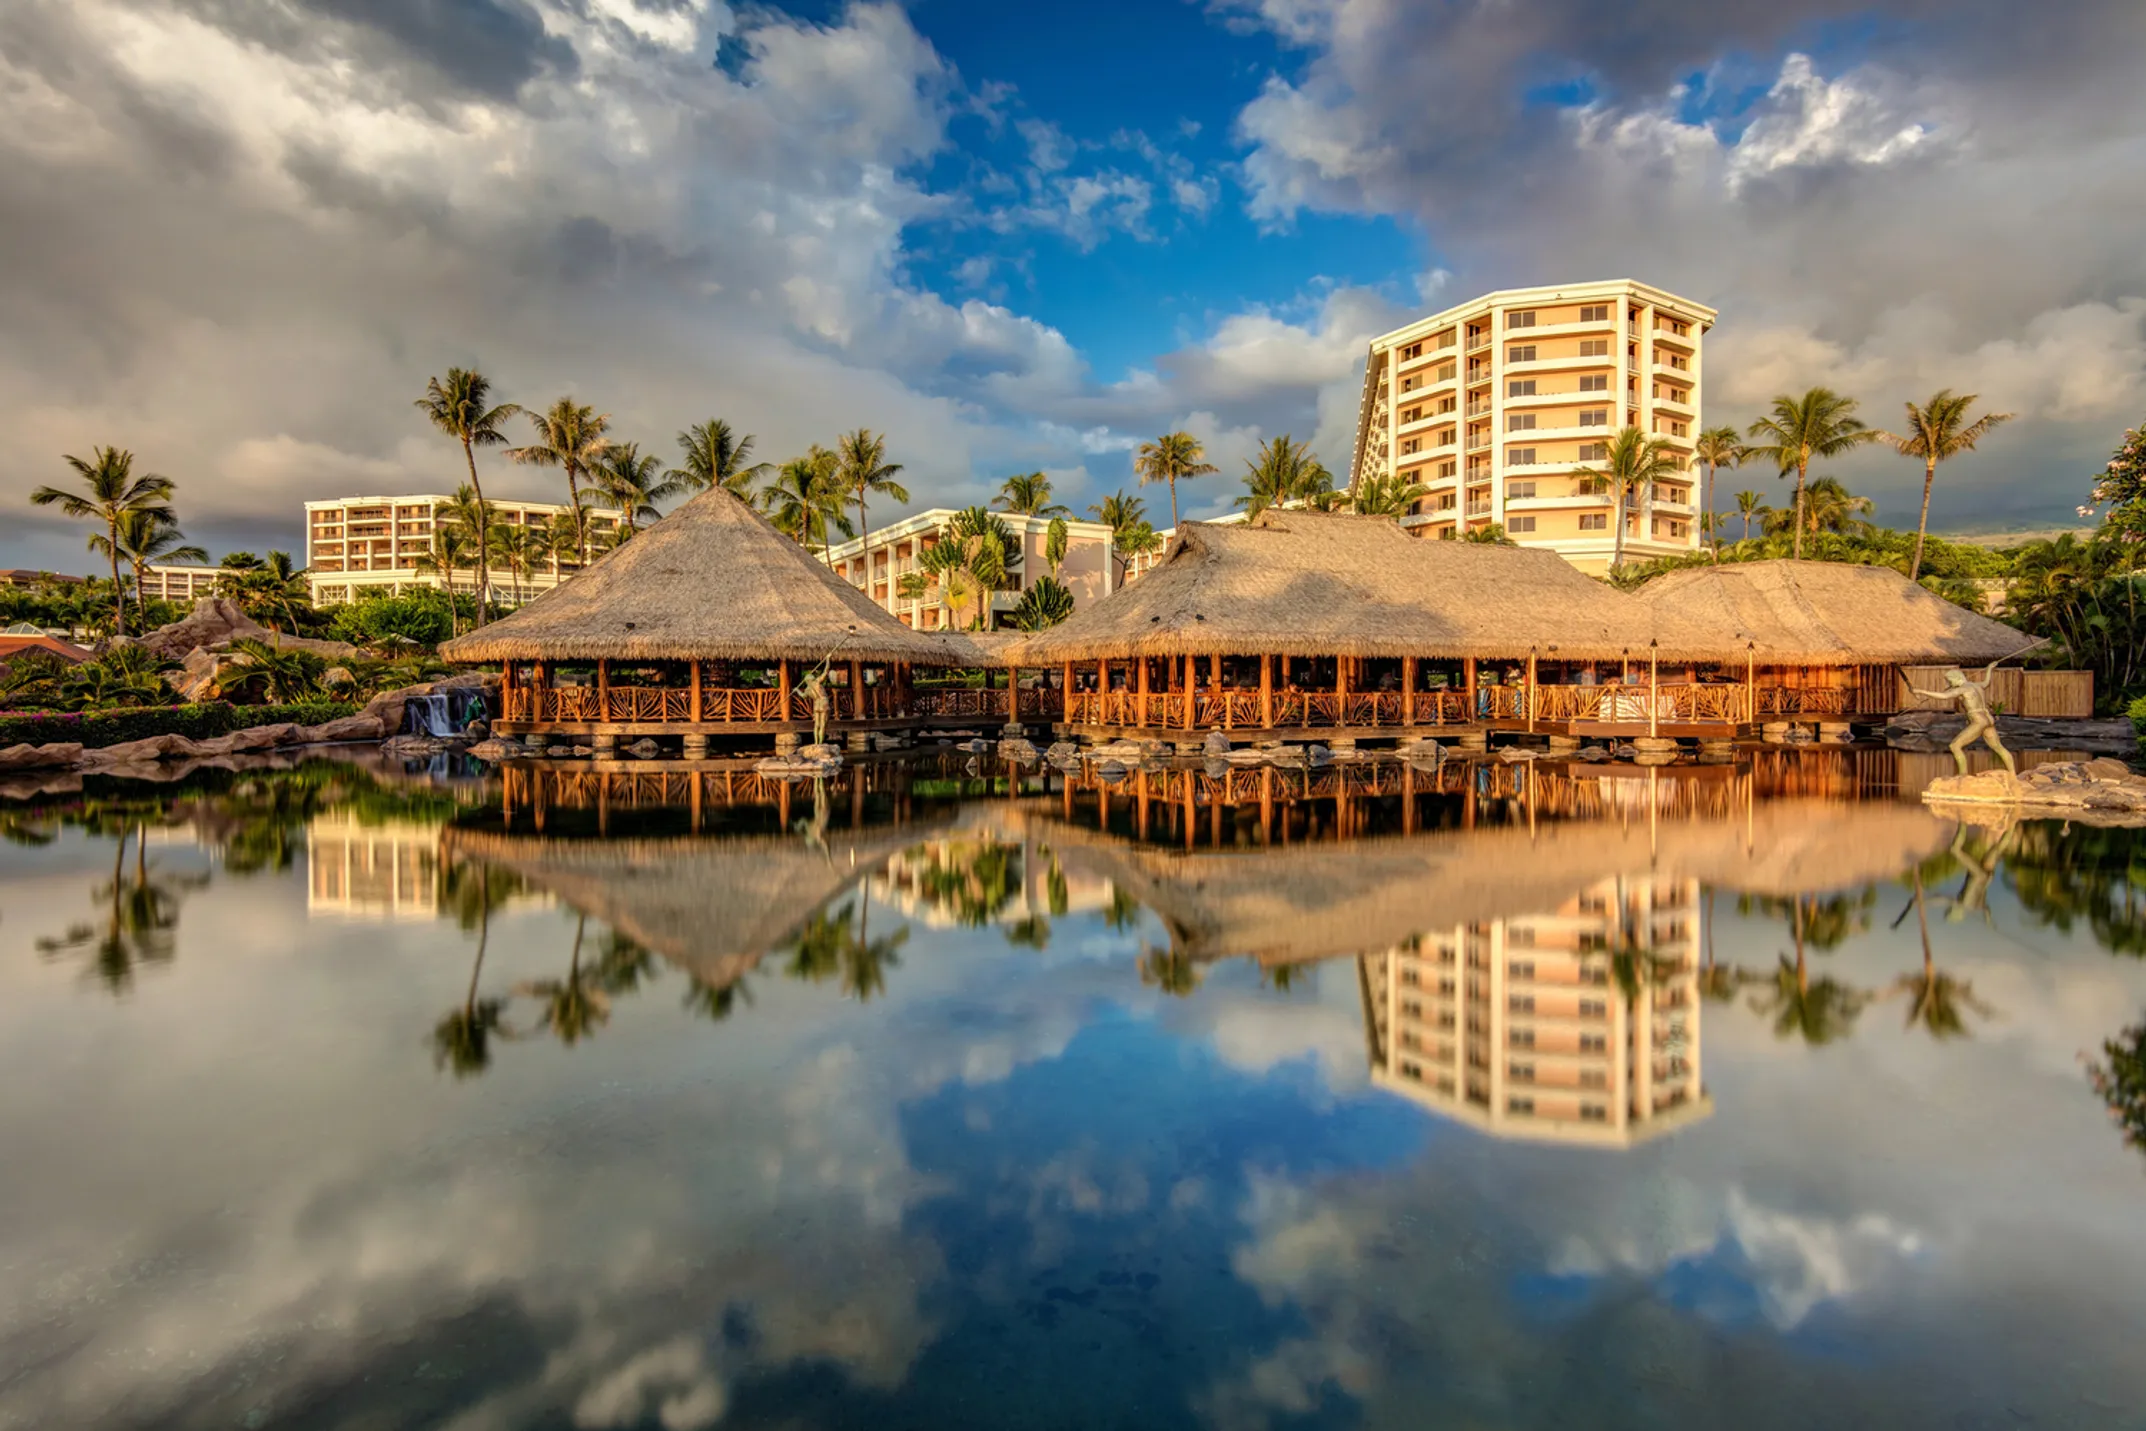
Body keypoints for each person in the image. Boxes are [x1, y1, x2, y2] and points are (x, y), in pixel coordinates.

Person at [1906, 658, 2015, 775]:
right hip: (1988, 719)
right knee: (1998, 747)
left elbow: (1944, 696)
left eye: (1950, 681)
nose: (1949, 684)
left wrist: (1920, 691)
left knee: (1955, 746)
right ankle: (2013, 774)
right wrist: (1989, 668)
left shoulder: (1963, 689)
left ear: (1957, 678)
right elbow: (1986, 682)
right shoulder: (1976, 685)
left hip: (1978, 720)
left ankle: (1963, 777)